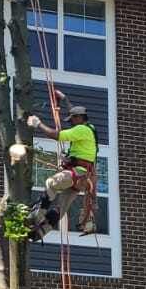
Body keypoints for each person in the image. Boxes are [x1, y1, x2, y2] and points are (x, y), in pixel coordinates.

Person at [26, 97, 98, 240]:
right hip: (82, 179)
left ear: (79, 118)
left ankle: (35, 216)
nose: (70, 123)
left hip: (78, 173)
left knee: (51, 183)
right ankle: (38, 233)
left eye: (72, 120)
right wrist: (64, 99)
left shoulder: (81, 129)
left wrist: (38, 123)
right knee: (61, 209)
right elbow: (75, 111)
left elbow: (56, 135)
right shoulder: (90, 129)